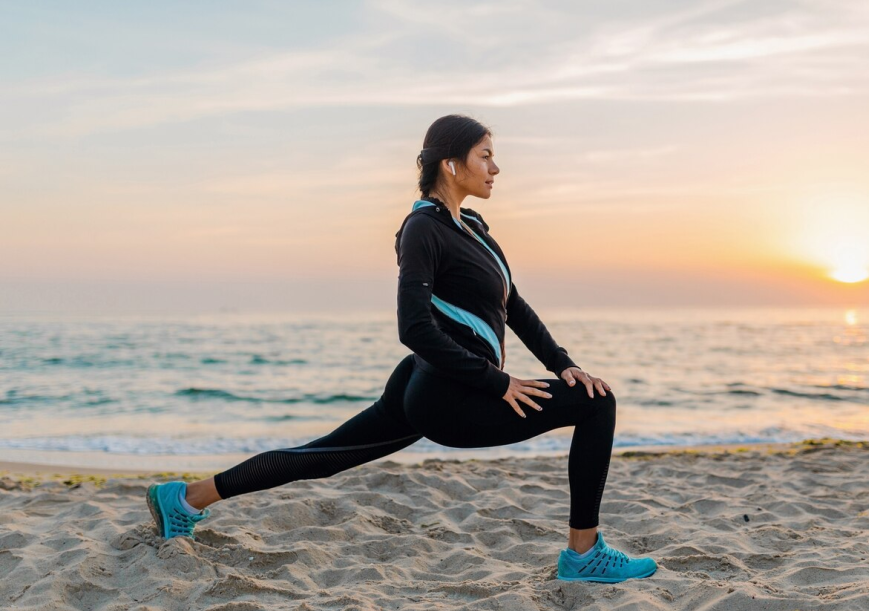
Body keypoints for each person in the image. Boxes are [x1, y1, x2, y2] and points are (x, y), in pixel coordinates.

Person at [146, 114, 657, 583]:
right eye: (485, 156)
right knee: (599, 406)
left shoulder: (474, 227)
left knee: (322, 456)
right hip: (446, 396)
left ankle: (184, 500)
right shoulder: (421, 230)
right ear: (452, 165)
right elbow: (413, 327)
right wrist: (498, 382)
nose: (496, 167)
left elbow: (513, 305)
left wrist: (565, 366)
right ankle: (584, 555)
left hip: (426, 382)